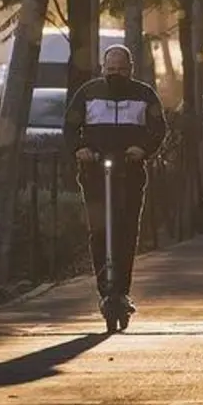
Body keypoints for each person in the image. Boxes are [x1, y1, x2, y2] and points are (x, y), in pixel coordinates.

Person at [63, 45, 167, 319]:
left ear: (131, 69)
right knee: (99, 231)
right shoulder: (87, 94)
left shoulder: (145, 95)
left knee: (126, 230)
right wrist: (80, 149)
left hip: (130, 173)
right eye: (111, 69)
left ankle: (122, 290)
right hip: (95, 173)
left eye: (121, 69)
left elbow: (159, 129)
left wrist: (143, 149)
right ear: (102, 68)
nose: (116, 74)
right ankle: (105, 290)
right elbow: (70, 127)